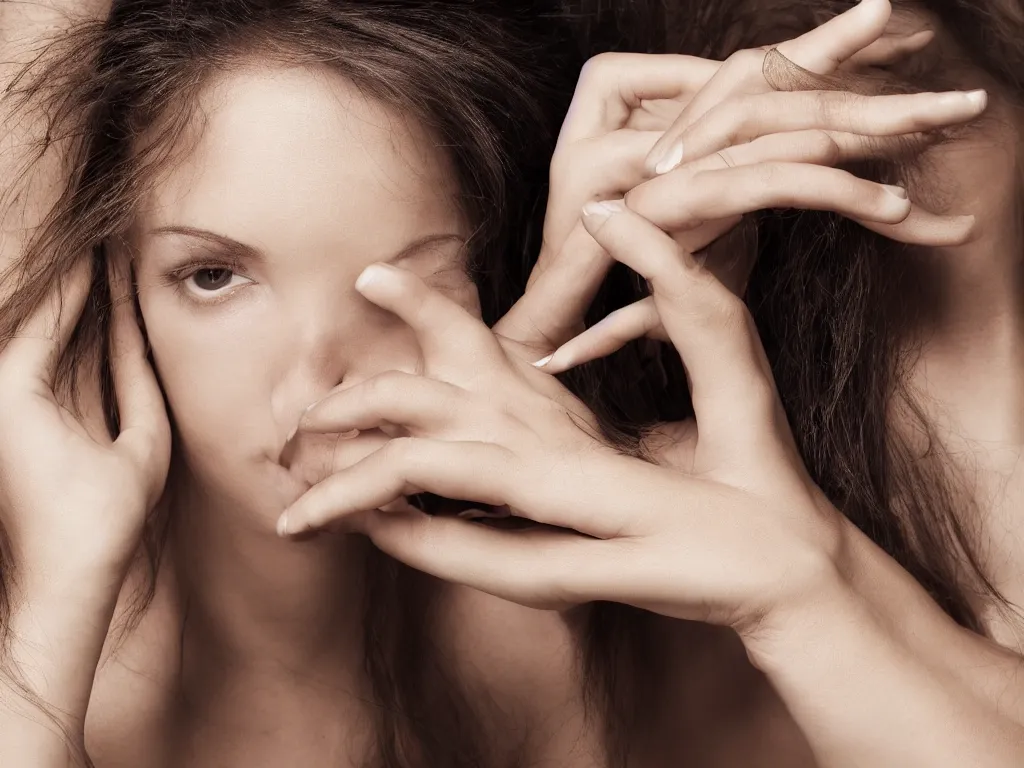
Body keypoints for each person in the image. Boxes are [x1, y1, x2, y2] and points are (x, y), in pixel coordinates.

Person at [0, 3, 1012, 768]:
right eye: (213, 276)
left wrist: (810, 574)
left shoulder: (575, 627)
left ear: (492, 285)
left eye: (409, 282)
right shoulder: (53, 628)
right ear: (108, 290)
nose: (314, 381)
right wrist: (55, 612)